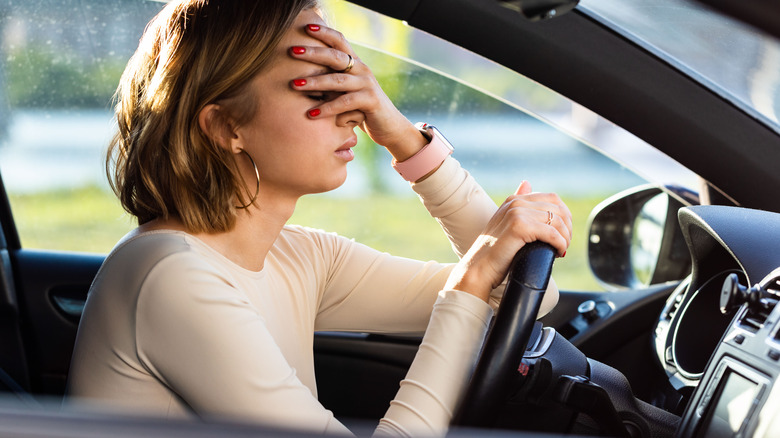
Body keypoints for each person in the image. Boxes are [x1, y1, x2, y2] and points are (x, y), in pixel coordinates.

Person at [66, 0, 573, 436]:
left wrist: (404, 138)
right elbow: (487, 282)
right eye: (320, 91)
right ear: (224, 126)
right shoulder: (169, 275)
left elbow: (528, 294)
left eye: (351, 81)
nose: (355, 111)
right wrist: (473, 275)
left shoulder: (300, 256)